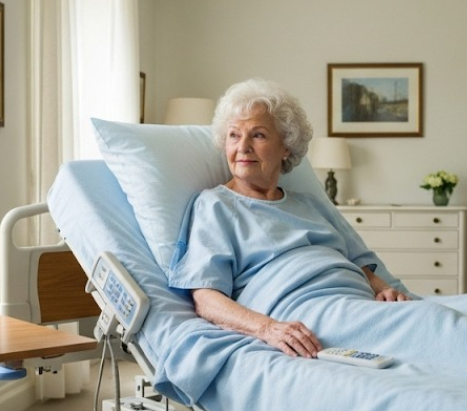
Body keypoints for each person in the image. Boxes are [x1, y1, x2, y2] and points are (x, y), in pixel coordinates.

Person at [168, 78, 410, 359]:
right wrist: (268, 328)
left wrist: (384, 289)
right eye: (234, 135)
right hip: (310, 315)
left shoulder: (309, 204)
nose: (243, 146)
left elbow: (357, 262)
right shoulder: (215, 206)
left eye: (258, 135)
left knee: (464, 312)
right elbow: (206, 299)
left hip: (358, 302)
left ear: (286, 147)